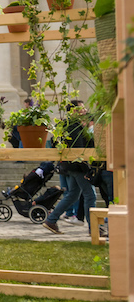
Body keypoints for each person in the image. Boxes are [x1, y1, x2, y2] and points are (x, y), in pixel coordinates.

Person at [44, 101, 97, 235]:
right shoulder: (74, 126)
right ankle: (95, 229)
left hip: (69, 166)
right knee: (90, 195)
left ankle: (51, 220)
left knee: (73, 194)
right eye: (82, 107)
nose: (85, 110)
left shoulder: (66, 124)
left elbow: (54, 141)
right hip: (78, 166)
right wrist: (87, 169)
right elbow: (78, 151)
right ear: (74, 111)